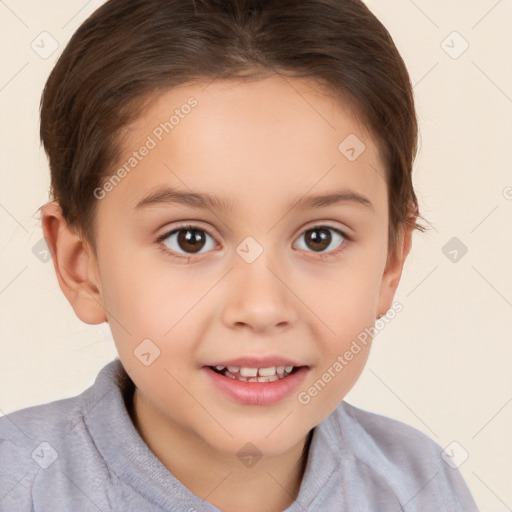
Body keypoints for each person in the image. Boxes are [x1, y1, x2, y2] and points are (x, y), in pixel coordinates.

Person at [0, 0, 479, 510]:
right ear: (82, 266)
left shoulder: (421, 487)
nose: (261, 307)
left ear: (389, 261)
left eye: (320, 237)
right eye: (190, 239)